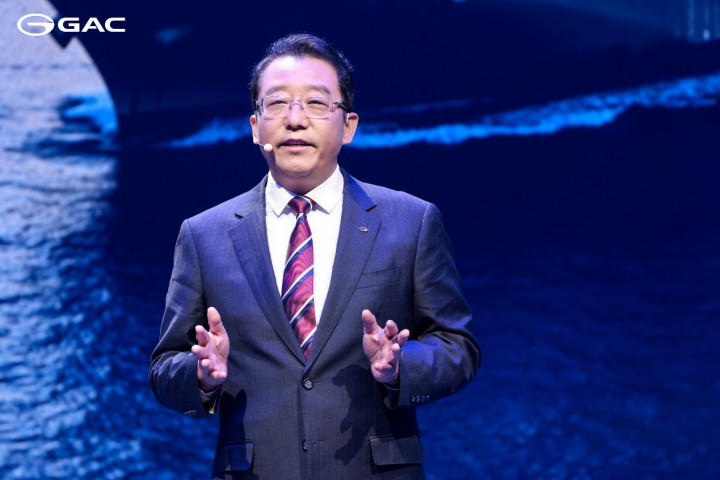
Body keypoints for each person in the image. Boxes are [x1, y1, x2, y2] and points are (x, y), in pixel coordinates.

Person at [150, 33, 480, 480]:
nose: (295, 119)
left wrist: (401, 367)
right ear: (255, 127)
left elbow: (459, 348)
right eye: (277, 103)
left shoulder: (412, 221)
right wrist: (202, 376)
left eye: (316, 103)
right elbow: (165, 368)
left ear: (348, 125)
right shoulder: (204, 235)